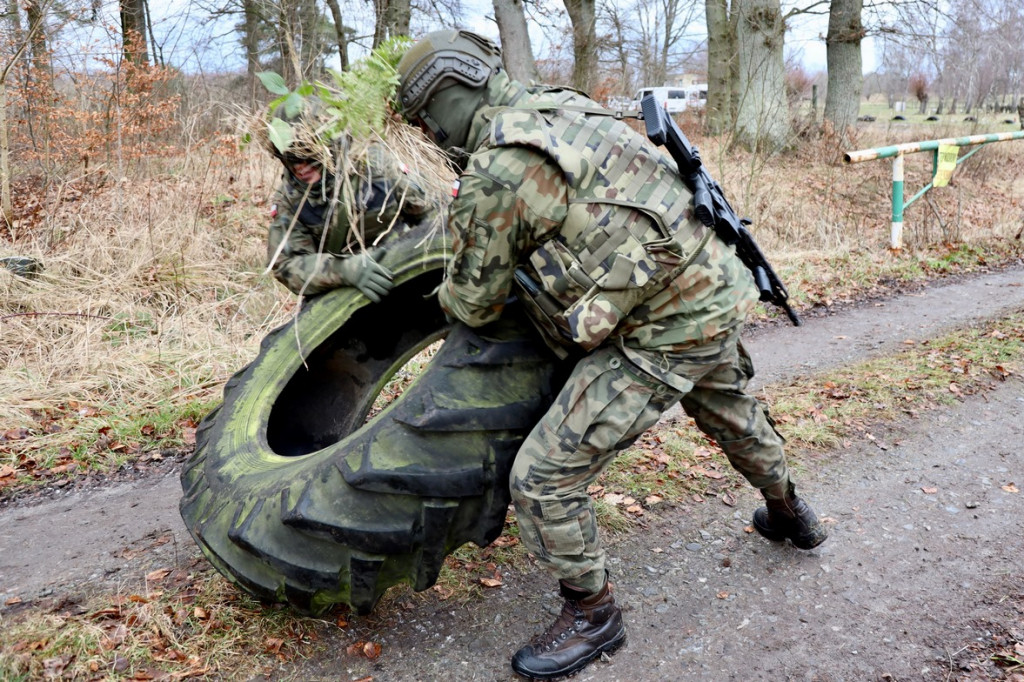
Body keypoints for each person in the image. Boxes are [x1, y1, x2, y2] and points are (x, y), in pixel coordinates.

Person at [396, 29, 828, 680]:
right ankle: (792, 512)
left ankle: (594, 614)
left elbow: (474, 303)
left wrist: (463, 245)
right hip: (708, 284)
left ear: (455, 90)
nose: (430, 131)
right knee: (730, 412)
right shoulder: (562, 103)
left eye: (428, 116)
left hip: (660, 323)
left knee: (542, 476)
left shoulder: (499, 163)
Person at [264, 103, 434, 300]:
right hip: (344, 293)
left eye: (305, 154)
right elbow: (285, 265)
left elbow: (431, 216)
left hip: (403, 272)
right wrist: (344, 270)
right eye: (288, 157)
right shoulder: (290, 198)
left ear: (328, 145)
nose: (299, 166)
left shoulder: (375, 165)